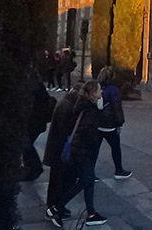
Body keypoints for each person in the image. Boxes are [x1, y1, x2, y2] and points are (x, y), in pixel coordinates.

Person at [49, 80, 107, 227]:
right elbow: (90, 134)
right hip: (83, 151)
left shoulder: (81, 105)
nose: (101, 93)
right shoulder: (90, 111)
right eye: (99, 90)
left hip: (78, 150)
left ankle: (91, 213)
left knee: (87, 181)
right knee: (84, 181)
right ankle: (57, 208)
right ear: (93, 93)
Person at [43, 84, 80, 219]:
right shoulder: (67, 106)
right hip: (60, 151)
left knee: (60, 180)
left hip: (58, 150)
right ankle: (53, 207)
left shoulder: (66, 103)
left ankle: (57, 206)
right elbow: (65, 130)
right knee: (58, 181)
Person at [96, 66, 131, 179]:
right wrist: (119, 123)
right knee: (115, 148)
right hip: (109, 124)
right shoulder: (113, 89)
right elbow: (116, 107)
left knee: (94, 149)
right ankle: (118, 170)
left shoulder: (96, 87)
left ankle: (89, 172)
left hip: (97, 123)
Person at [20, 71, 54, 180]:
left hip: (35, 122)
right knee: (26, 143)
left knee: (26, 143)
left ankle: (35, 167)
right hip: (37, 122)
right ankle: (30, 168)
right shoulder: (38, 88)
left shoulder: (34, 90)